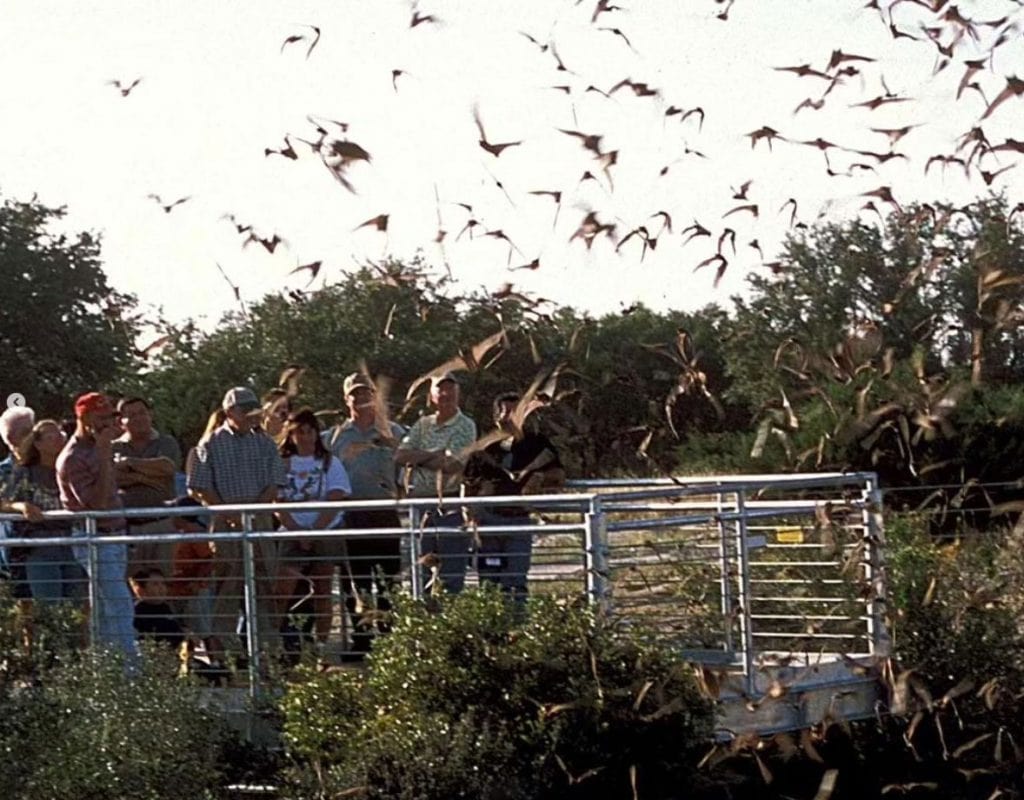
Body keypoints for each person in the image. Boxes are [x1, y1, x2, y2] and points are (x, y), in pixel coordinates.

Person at [187, 386, 286, 664]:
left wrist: (254, 512)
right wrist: (231, 514)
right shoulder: (210, 444)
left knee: (265, 585)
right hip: (225, 522)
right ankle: (226, 657)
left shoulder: (265, 443)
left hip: (260, 521)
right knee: (226, 586)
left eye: (255, 409)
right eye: (245, 410)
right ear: (230, 412)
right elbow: (199, 487)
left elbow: (276, 482)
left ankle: (267, 656)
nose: (252, 415)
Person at [323, 372, 405, 656]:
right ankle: (360, 639)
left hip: (384, 513)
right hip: (351, 515)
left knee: (388, 580)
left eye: (366, 393)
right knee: (355, 581)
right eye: (354, 394)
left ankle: (389, 639)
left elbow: (412, 463)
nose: (361, 399)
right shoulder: (333, 437)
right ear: (346, 400)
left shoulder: (394, 432)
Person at [462, 393, 565, 604]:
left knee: (516, 579)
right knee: (489, 580)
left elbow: (559, 474)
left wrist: (540, 476)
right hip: (488, 521)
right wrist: (470, 517)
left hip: (519, 520)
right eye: (506, 411)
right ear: (496, 417)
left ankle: (516, 629)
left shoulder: (537, 443)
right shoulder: (483, 447)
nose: (511, 417)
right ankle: (491, 631)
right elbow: (469, 483)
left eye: (517, 411)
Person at [56, 392, 137, 656]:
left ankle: (107, 668)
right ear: (86, 419)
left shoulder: (99, 447)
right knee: (120, 603)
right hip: (93, 537)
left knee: (105, 609)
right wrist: (103, 454)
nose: (107, 424)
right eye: (101, 418)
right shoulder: (73, 457)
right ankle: (131, 672)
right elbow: (98, 505)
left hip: (115, 534)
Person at [276, 407, 351, 650]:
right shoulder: (281, 463)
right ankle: (276, 639)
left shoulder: (329, 461)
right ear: (290, 434)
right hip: (292, 530)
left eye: (310, 431)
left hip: (324, 530)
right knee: (283, 587)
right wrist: (296, 529)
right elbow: (276, 500)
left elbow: (336, 495)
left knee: (322, 588)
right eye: (299, 432)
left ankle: (321, 646)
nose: (305, 437)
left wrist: (314, 530)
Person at [395, 373, 477, 595]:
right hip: (420, 504)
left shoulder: (466, 425)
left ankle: (448, 622)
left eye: (450, 389)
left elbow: (453, 464)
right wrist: (434, 455)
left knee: (451, 571)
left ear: (458, 394)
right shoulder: (422, 425)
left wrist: (419, 458)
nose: (445, 394)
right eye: (440, 389)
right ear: (431, 397)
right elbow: (400, 456)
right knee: (420, 569)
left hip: (450, 502)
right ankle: (423, 619)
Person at [7, 419, 86, 604]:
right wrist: (22, 506)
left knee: (78, 604)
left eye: (60, 435)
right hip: (39, 546)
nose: (59, 439)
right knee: (48, 604)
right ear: (38, 443)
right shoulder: (24, 472)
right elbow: (3, 500)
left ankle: (78, 634)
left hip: (72, 543)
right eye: (52, 436)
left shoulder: (70, 468)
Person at [113, 396, 182, 578]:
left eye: (142, 412)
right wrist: (150, 476)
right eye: (132, 415)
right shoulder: (113, 448)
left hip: (162, 523)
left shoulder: (167, 442)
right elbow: (114, 477)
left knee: (163, 581)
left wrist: (130, 463)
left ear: (150, 414)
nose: (139, 418)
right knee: (131, 581)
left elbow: (167, 468)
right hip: (128, 527)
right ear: (121, 421)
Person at [0, 406, 36, 600]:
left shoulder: (46, 464)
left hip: (47, 542)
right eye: (27, 432)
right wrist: (18, 506)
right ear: (11, 438)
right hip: (15, 546)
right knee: (22, 601)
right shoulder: (3, 471)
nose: (33, 436)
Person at [131, 567, 186, 653]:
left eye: (163, 584)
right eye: (155, 584)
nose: (161, 588)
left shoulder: (165, 608)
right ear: (141, 590)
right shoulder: (138, 612)